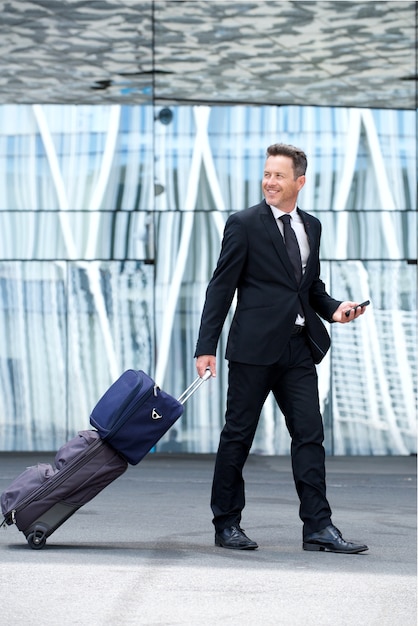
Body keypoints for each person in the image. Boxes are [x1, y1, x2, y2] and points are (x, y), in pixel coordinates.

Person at [194, 143, 369, 554]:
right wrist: (207, 347)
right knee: (238, 437)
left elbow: (310, 288)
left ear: (299, 182)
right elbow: (220, 288)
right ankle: (226, 524)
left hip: (297, 349)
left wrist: (335, 309)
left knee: (310, 435)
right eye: (267, 174)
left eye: (279, 176)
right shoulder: (244, 224)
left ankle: (319, 528)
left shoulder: (312, 225)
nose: (270, 182)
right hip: (253, 350)